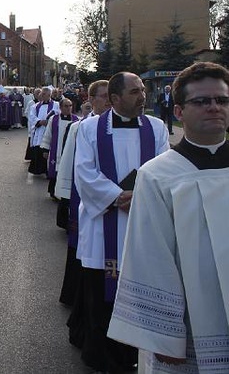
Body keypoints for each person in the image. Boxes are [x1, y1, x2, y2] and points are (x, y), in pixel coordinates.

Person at [108, 62, 229, 373]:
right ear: (178, 112)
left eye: (222, 100)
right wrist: (163, 336)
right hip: (191, 321)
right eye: (202, 101)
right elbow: (148, 257)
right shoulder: (158, 175)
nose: (214, 107)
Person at [74, 72, 169, 373]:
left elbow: (165, 168)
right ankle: (100, 356)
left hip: (142, 224)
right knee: (100, 300)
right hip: (103, 227)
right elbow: (84, 172)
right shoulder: (89, 129)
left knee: (138, 296)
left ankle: (134, 355)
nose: (142, 96)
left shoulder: (156, 128)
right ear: (114, 99)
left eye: (142, 90)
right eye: (134, 91)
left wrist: (140, 196)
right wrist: (116, 197)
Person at [55, 80, 110, 353]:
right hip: (86, 202)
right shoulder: (81, 127)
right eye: (104, 97)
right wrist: (64, 192)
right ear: (92, 99)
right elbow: (69, 163)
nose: (110, 102)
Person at [41, 98, 78, 198]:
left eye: (70, 106)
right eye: (66, 106)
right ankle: (53, 192)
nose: (69, 108)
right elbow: (48, 134)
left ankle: (65, 194)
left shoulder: (76, 120)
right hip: (56, 151)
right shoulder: (54, 119)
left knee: (67, 171)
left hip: (69, 151)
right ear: (61, 107)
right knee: (55, 171)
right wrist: (45, 149)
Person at [28, 86, 60, 175]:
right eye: (42, 94)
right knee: (39, 149)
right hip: (39, 129)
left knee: (48, 149)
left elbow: (58, 114)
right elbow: (31, 116)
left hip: (49, 130)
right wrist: (39, 122)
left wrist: (50, 122)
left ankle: (48, 170)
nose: (42, 96)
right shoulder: (35, 106)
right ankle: (38, 170)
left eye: (44, 94)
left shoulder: (56, 105)